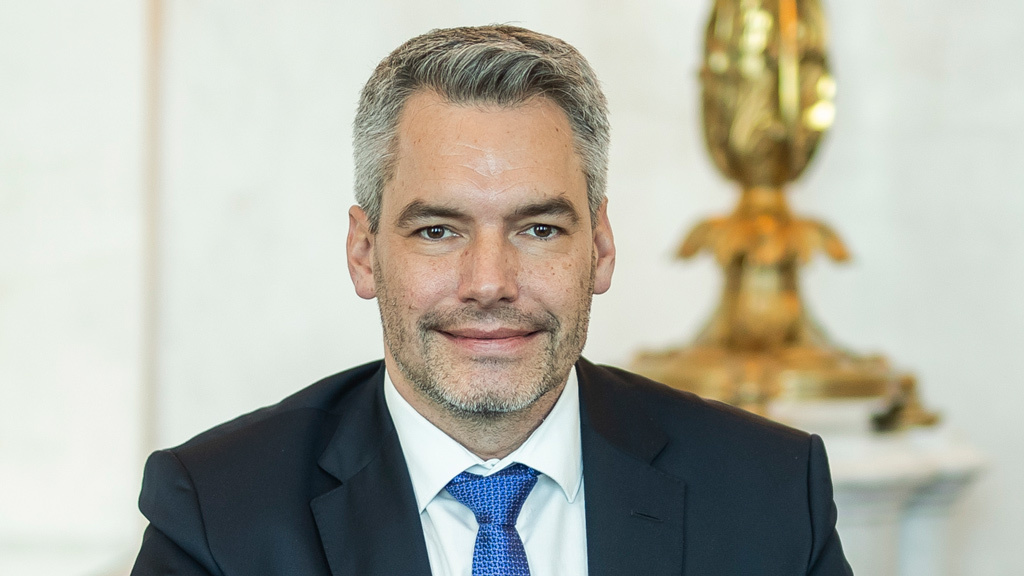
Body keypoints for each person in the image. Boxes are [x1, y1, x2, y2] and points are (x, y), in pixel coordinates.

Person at [130, 25, 853, 576]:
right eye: (437, 230)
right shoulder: (219, 514)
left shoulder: (769, 492)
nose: (489, 282)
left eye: (538, 229)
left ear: (601, 247)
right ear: (364, 252)